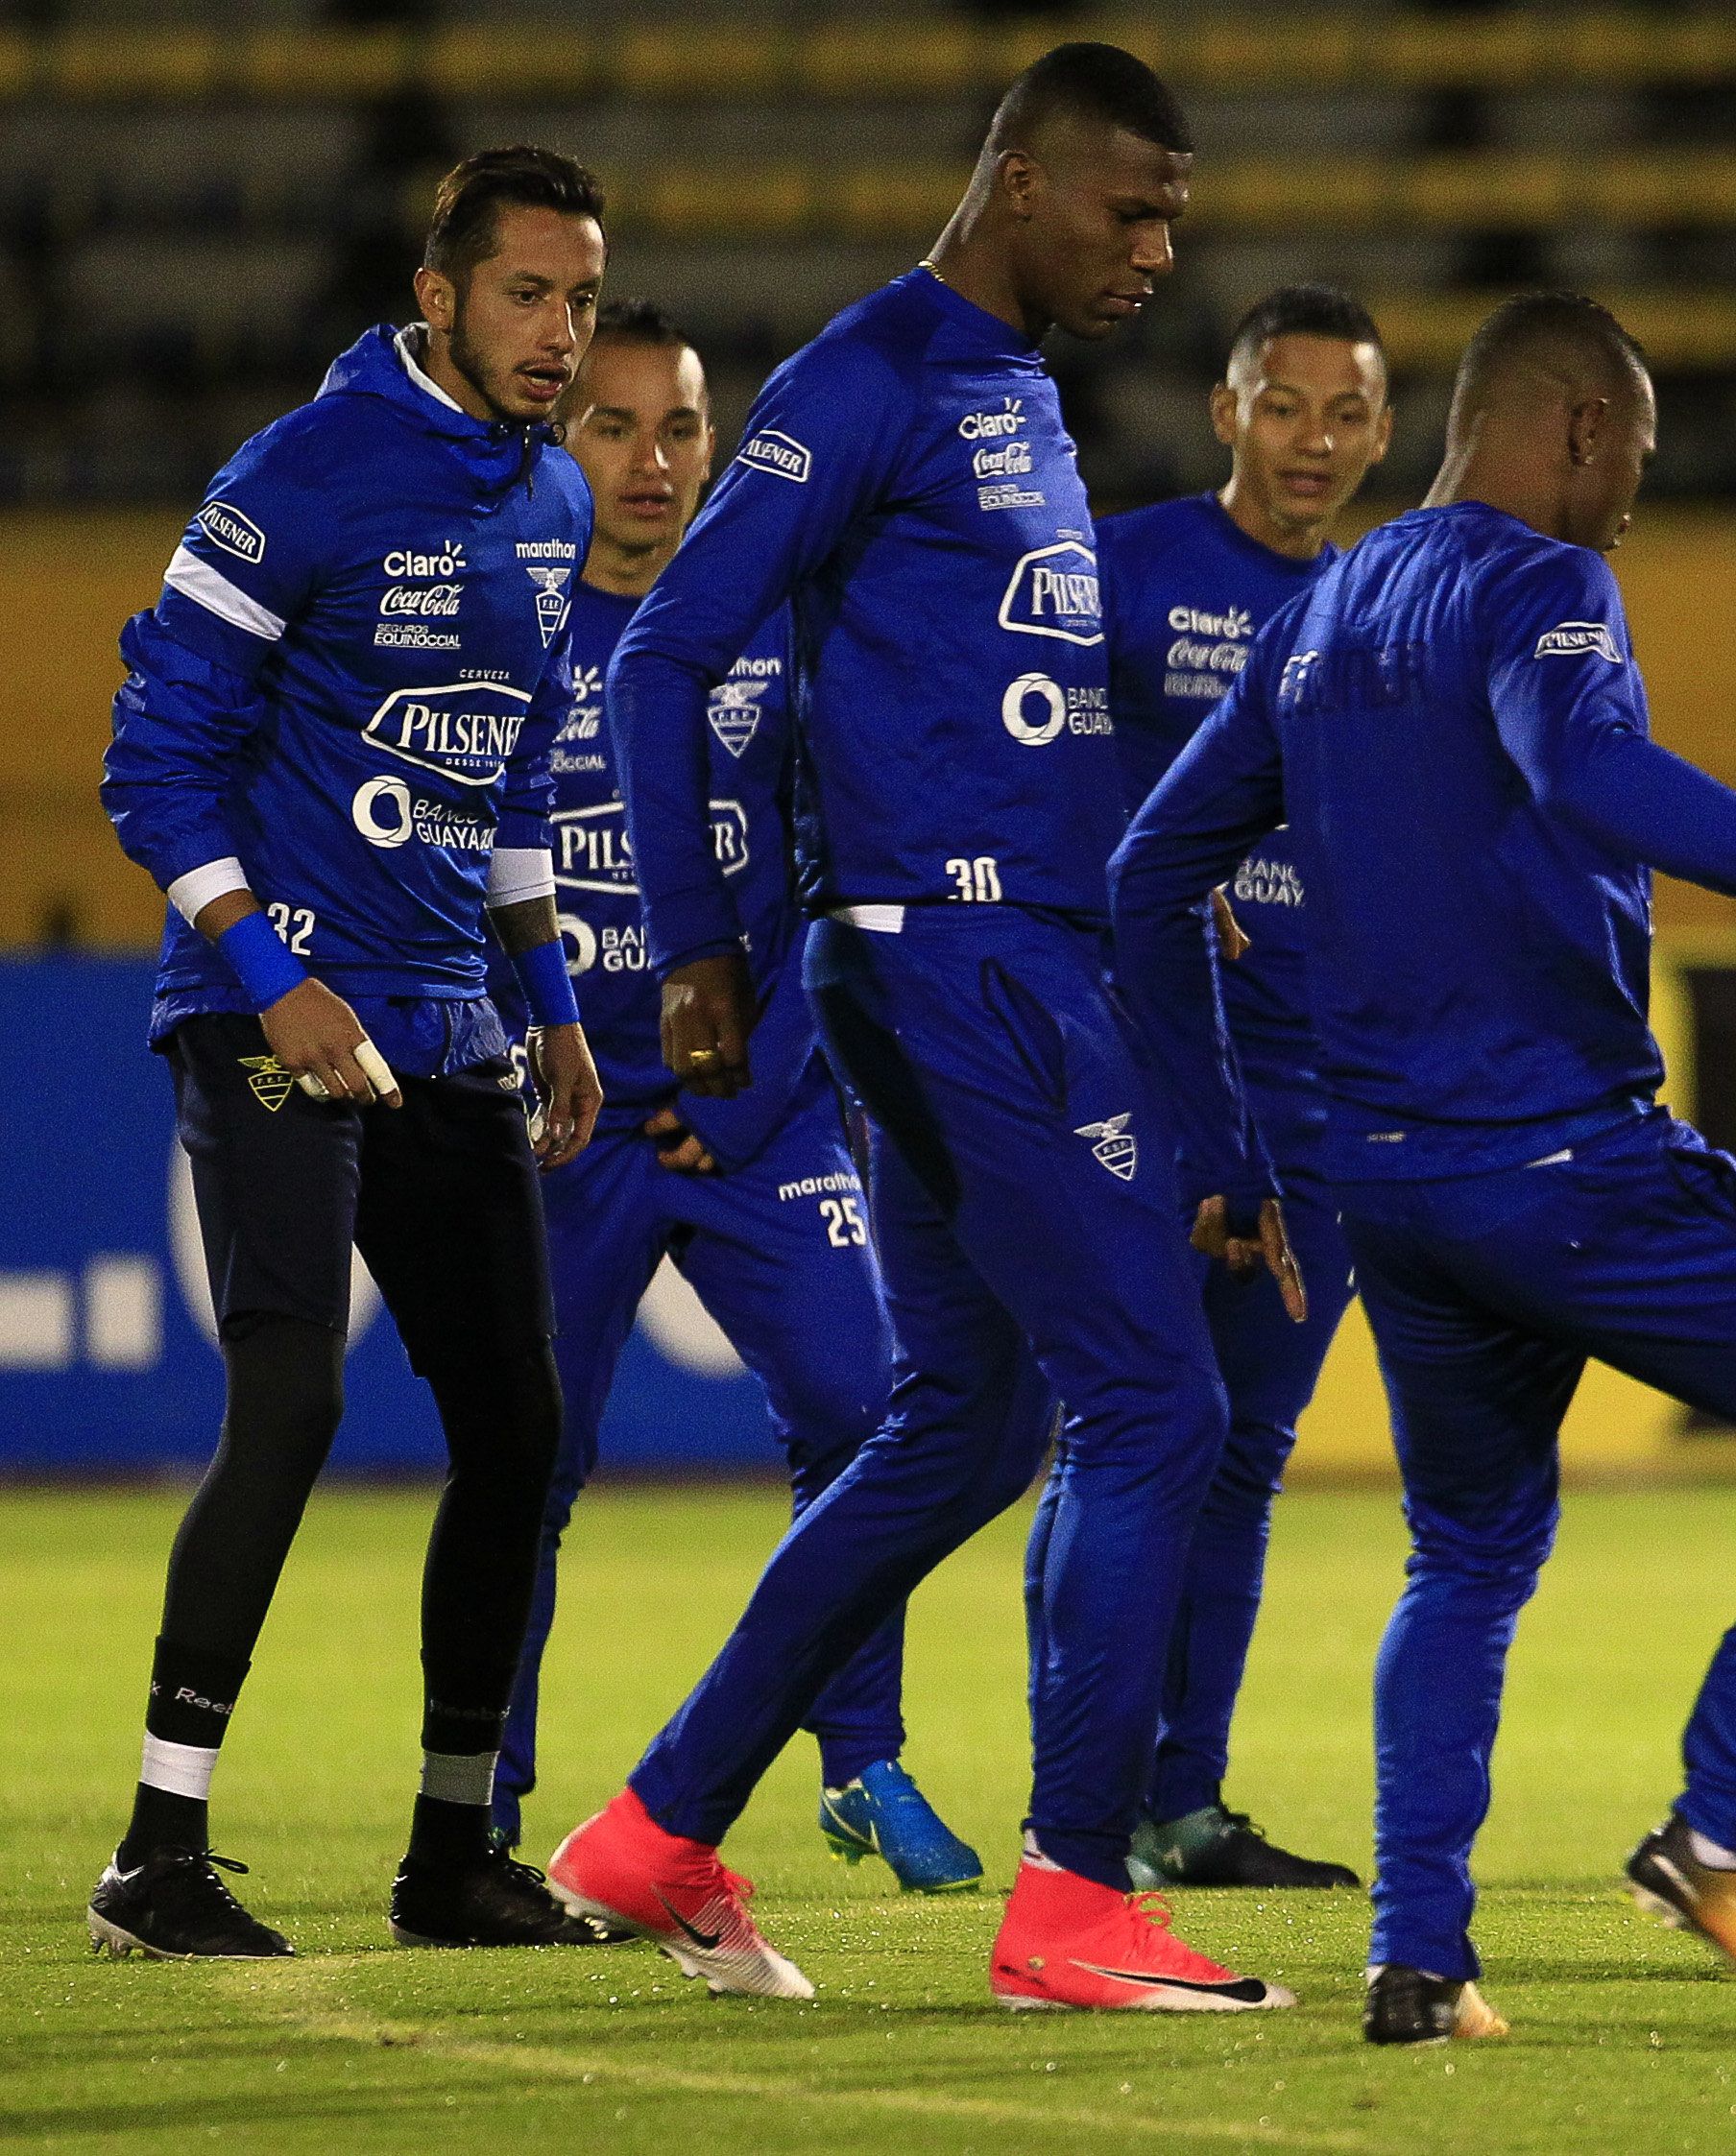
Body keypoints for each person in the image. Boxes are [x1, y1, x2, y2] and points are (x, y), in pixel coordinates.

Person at [1109, 293, 1736, 2046]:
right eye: (1638, 460)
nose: (1638, 499)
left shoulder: (1326, 604)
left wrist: (1227, 1142)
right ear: (1581, 430)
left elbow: (1145, 873)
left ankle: (1419, 1961)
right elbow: (1586, 767)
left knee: (1469, 1552)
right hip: (1564, 1159)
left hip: (1388, 1185)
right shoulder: (1542, 586)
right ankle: (1722, 1826)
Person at [542, 44, 1298, 2014]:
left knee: (969, 1423)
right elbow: (672, 646)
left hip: (1011, 958)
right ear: (1021, 183)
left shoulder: (1018, 394)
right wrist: (702, 943)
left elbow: (999, 709)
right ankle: (1070, 1895)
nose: (1156, 250)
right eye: (1130, 210)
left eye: (1173, 218)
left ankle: (657, 1825)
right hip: (954, 966)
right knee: (1160, 1405)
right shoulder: (872, 375)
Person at [91, 146, 611, 1957]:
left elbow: (518, 771)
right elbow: (149, 759)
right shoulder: (298, 475)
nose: (561, 334)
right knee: (296, 1393)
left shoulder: (552, 498)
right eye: (529, 294)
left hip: (449, 1018)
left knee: (522, 1425)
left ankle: (451, 1853)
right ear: (440, 298)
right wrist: (272, 970)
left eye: (584, 299)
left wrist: (548, 1002)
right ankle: (155, 1850)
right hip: (268, 1011)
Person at [486, 300, 980, 1891]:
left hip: (752, 1114)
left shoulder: (790, 613)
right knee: (527, 1461)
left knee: (864, 1410)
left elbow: (851, 866)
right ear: (564, 445)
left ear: (721, 442)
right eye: (613, 427)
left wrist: (764, 1083)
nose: (650, 460)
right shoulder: (504, 623)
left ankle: (864, 1762)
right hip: (561, 1121)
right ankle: (472, 1805)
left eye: (681, 426)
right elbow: (452, 870)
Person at [1096, 283, 1391, 1894]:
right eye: (1286, 405)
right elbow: (1027, 752)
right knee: (1135, 1433)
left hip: (1318, 1093)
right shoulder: (1128, 572)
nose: (1315, 442)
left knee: (1247, 1449)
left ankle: (1182, 1807)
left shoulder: (1379, 610)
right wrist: (1142, 857)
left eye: (1347, 414)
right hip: (1139, 1069)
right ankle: (1084, 1804)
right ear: (1226, 411)